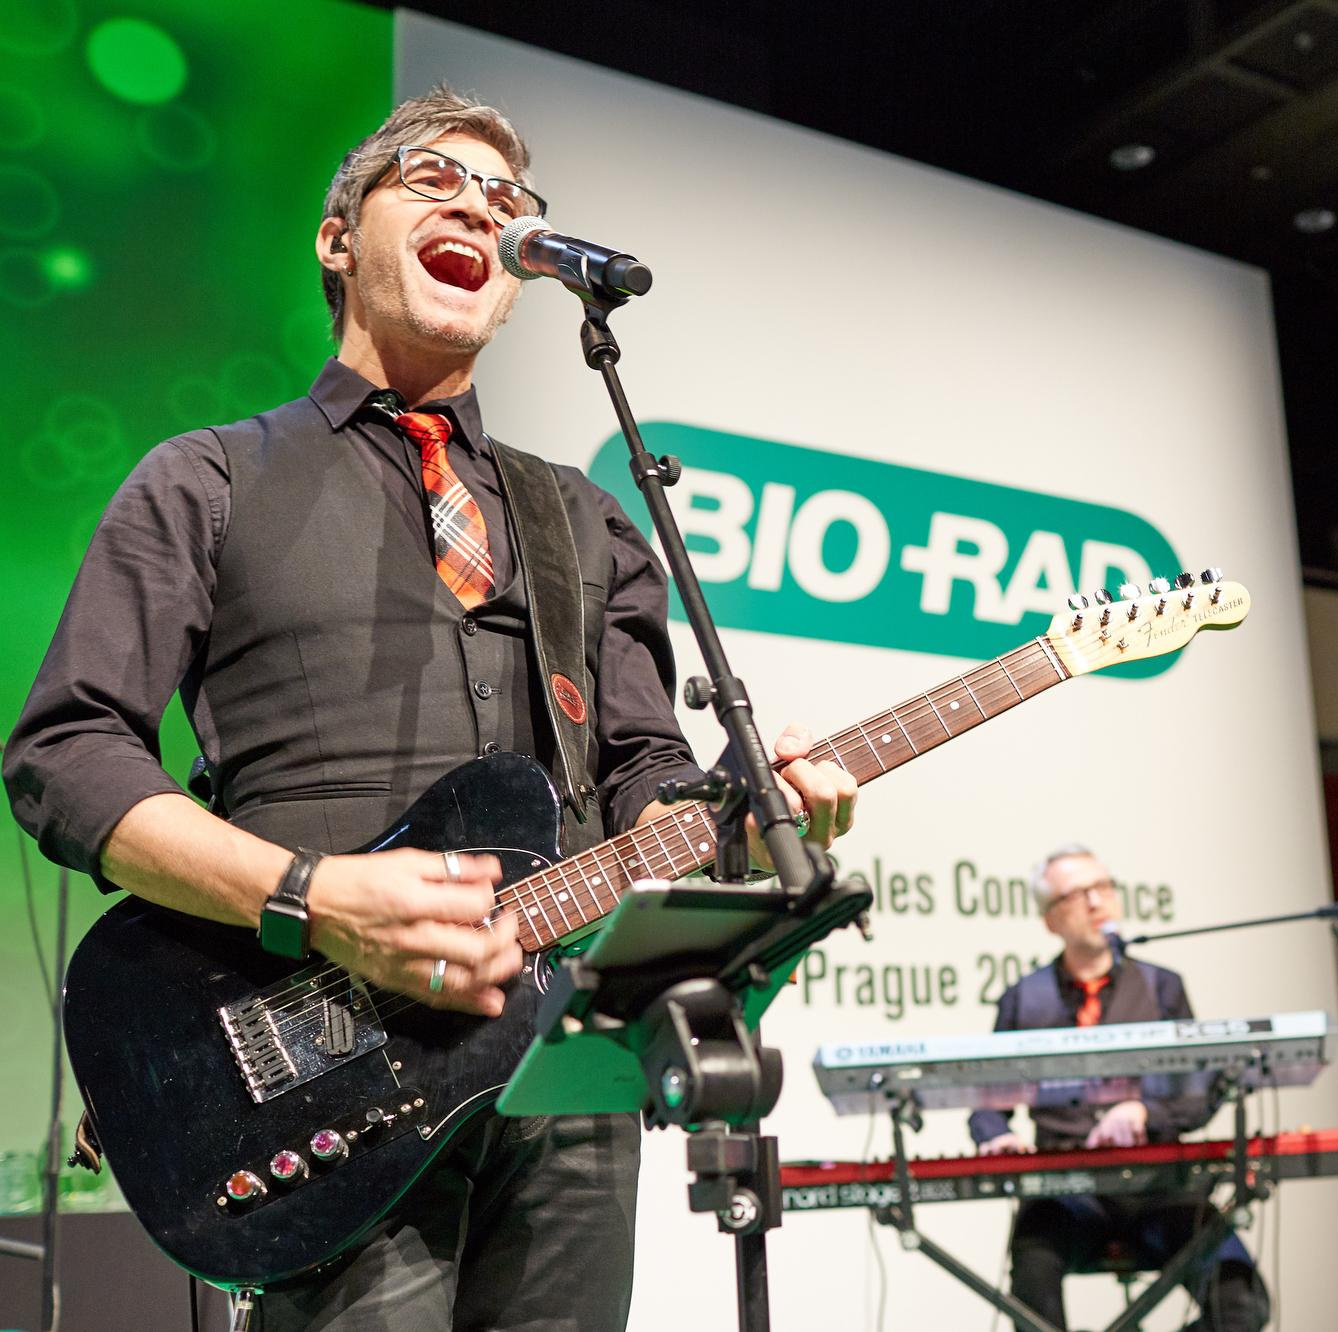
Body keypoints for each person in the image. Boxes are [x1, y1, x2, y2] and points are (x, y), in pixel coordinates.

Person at [3, 89, 858, 1330]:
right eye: (432, 179)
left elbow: (641, 773)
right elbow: (65, 755)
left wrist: (741, 809)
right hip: (314, 1087)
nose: (480, 206)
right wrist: (314, 896)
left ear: (517, 284)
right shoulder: (205, 479)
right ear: (338, 238)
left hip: (562, 1080)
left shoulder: (586, 521)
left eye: (510, 201)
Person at [968, 845, 1268, 1332]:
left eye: (1103, 888)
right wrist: (993, 1137)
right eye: (1076, 893)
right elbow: (988, 1104)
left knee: (1241, 1301)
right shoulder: (1023, 999)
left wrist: (1145, 1112)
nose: (1095, 901)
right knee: (1031, 1283)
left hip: (1160, 1186)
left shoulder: (1162, 987)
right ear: (1050, 919)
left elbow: (1196, 1092)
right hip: (1066, 1191)